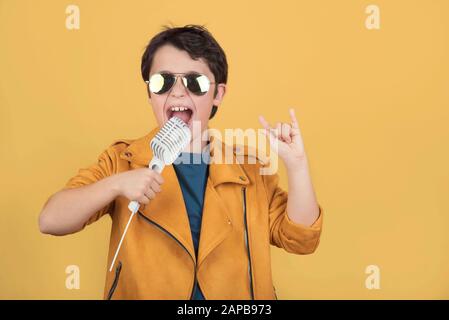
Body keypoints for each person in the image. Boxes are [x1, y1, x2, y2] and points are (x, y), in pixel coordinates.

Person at [38, 24, 324, 300]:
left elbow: (301, 239)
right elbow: (51, 220)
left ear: (217, 95)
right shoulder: (122, 161)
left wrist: (297, 165)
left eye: (194, 82)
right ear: (149, 92)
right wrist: (115, 185)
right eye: (163, 81)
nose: (177, 92)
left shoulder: (249, 169)